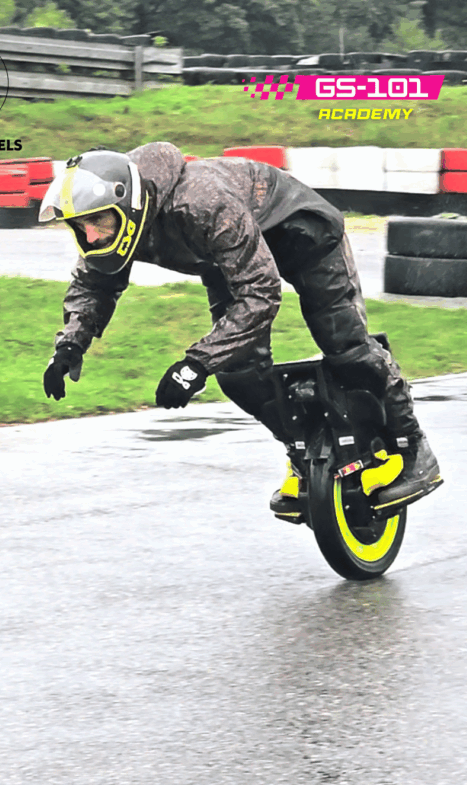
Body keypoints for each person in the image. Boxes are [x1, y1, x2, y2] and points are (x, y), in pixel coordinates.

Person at [39, 142, 442, 514]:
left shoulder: (201, 201)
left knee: (346, 348)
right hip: (222, 258)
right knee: (237, 374)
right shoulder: (118, 228)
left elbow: (262, 293)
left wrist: (195, 364)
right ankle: (305, 454)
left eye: (97, 222)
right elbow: (93, 283)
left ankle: (414, 449)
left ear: (127, 206)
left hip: (300, 233)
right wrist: (70, 344)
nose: (90, 235)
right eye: (80, 226)